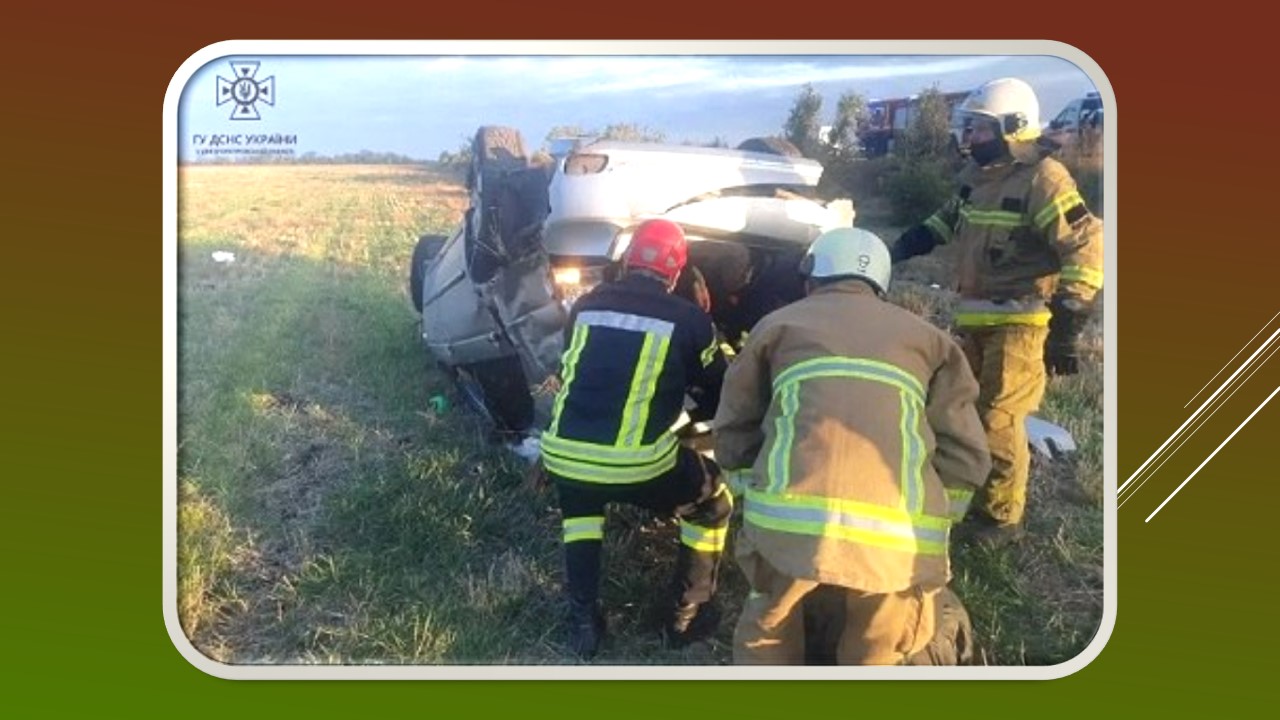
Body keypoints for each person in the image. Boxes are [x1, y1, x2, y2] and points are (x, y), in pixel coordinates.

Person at [715, 227, 990, 665]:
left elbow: (734, 426)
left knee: (769, 627)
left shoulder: (777, 326)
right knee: (878, 646)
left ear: (810, 281)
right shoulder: (931, 341)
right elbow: (965, 451)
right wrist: (941, 517)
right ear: (880, 285)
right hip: (898, 539)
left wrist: (753, 494)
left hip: (787, 525)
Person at [891, 77, 1105, 544]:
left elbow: (1086, 247)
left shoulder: (1044, 180)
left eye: (980, 129)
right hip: (975, 318)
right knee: (953, 406)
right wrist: (899, 247)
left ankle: (1001, 517)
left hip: (1022, 323)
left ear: (1014, 128)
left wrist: (1070, 321)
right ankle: (957, 490)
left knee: (999, 420)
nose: (970, 138)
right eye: (969, 128)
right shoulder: (976, 178)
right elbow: (946, 221)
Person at [540, 219, 732, 658]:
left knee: (582, 513)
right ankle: (687, 616)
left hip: (564, 453)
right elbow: (720, 388)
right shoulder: (691, 320)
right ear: (677, 271)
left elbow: (573, 370)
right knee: (712, 502)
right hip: (638, 463)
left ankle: (584, 621)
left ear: (627, 262)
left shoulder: (585, 306)